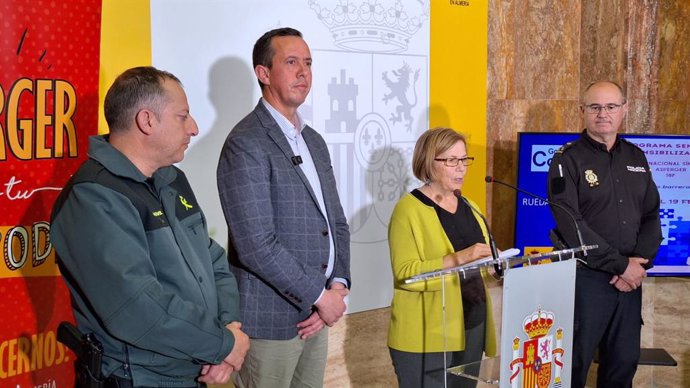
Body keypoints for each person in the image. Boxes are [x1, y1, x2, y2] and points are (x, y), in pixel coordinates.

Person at [51, 66, 249, 388]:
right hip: (138, 379)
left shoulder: (171, 179)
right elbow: (138, 308)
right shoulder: (94, 198)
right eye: (182, 116)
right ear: (147, 121)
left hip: (193, 369)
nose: (194, 128)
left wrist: (230, 327)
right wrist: (223, 345)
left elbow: (213, 261)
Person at [216, 27, 350, 388]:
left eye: (308, 63)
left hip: (315, 316)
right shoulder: (246, 143)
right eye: (291, 62)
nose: (303, 72)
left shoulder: (314, 141)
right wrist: (321, 296)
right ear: (263, 73)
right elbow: (257, 245)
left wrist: (336, 286)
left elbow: (335, 222)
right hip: (269, 322)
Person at [547, 81, 662, 388]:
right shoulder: (566, 159)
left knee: (623, 366)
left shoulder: (637, 157)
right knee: (573, 367)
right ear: (582, 111)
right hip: (586, 281)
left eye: (611, 106)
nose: (603, 114)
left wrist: (639, 264)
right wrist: (620, 266)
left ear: (624, 110)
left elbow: (651, 215)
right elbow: (572, 226)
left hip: (629, 283)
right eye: (595, 107)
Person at [387, 127, 498, 388]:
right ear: (428, 161)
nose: (461, 168)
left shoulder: (470, 206)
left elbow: (480, 265)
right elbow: (406, 273)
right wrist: (461, 257)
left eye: (464, 160)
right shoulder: (408, 209)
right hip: (428, 332)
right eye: (451, 161)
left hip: (473, 323)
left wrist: (496, 267)